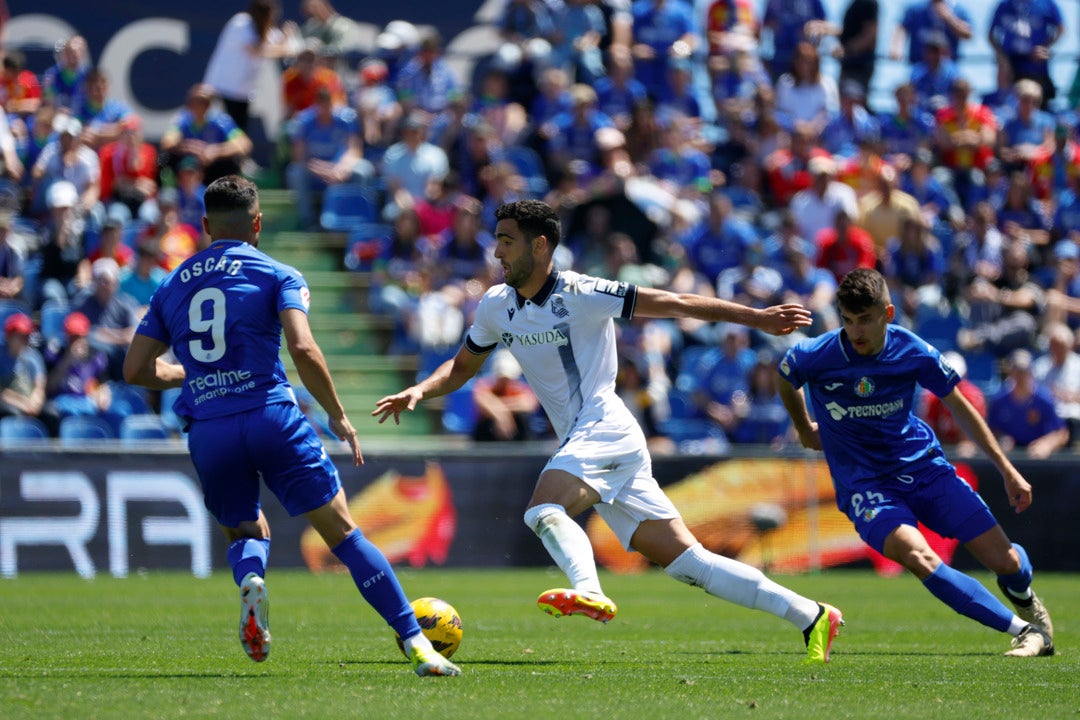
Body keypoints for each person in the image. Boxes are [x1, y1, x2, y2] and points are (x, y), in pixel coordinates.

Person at [373, 199, 844, 663]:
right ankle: (812, 614)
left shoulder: (582, 292)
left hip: (604, 426)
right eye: (497, 240)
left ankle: (589, 590)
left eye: (505, 241)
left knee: (544, 509)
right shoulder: (496, 305)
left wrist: (757, 318)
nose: (496, 253)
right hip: (593, 442)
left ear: (539, 246)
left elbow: (676, 303)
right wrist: (420, 390)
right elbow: (460, 368)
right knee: (689, 563)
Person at [122, 175, 460, 677]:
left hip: (209, 426)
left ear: (206, 226)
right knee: (343, 533)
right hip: (270, 415)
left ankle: (252, 580)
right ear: (257, 224)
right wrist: (337, 414)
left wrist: (189, 373)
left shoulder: (172, 283)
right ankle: (416, 643)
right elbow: (302, 347)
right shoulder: (276, 272)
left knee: (244, 528)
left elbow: (135, 371)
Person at [777, 267, 1054, 657]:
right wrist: (804, 426)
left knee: (1007, 562)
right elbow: (785, 375)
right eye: (848, 320)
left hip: (923, 468)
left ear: (887, 314)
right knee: (918, 555)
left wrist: (1007, 470)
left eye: (866, 320)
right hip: (866, 485)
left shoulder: (913, 351)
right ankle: (1026, 631)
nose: (856, 331)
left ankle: (1023, 591)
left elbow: (961, 407)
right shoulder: (817, 355)